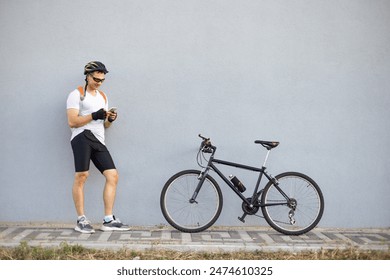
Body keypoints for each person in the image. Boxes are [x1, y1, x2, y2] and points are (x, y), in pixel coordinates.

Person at [66, 61, 129, 233]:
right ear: (87, 76)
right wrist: (94, 115)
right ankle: (81, 220)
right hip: (82, 137)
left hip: (99, 140)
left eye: (102, 80)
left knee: (112, 176)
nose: (99, 83)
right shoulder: (77, 94)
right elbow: (72, 121)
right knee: (82, 176)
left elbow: (105, 125)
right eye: (96, 79)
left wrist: (109, 119)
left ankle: (108, 220)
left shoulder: (103, 96)